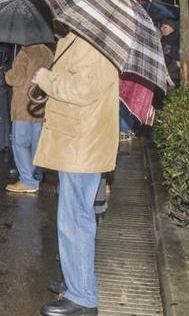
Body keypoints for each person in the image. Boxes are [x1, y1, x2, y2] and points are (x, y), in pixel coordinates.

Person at [32, 31, 119, 316]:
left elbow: (83, 89)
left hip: (81, 143)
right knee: (76, 217)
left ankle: (82, 296)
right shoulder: (85, 38)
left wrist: (46, 78)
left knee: (75, 220)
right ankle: (77, 280)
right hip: (78, 141)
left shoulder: (92, 42)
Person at [4, 43, 53, 193]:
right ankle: (35, 177)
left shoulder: (24, 53)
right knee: (36, 143)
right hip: (39, 104)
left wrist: (8, 73)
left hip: (23, 106)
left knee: (20, 143)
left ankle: (27, 180)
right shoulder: (47, 52)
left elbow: (16, 79)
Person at [159, 18, 180, 85]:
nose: (162, 29)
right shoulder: (164, 38)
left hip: (172, 67)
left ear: (172, 28)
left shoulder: (175, 38)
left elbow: (168, 53)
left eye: (165, 27)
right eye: (161, 26)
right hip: (166, 67)